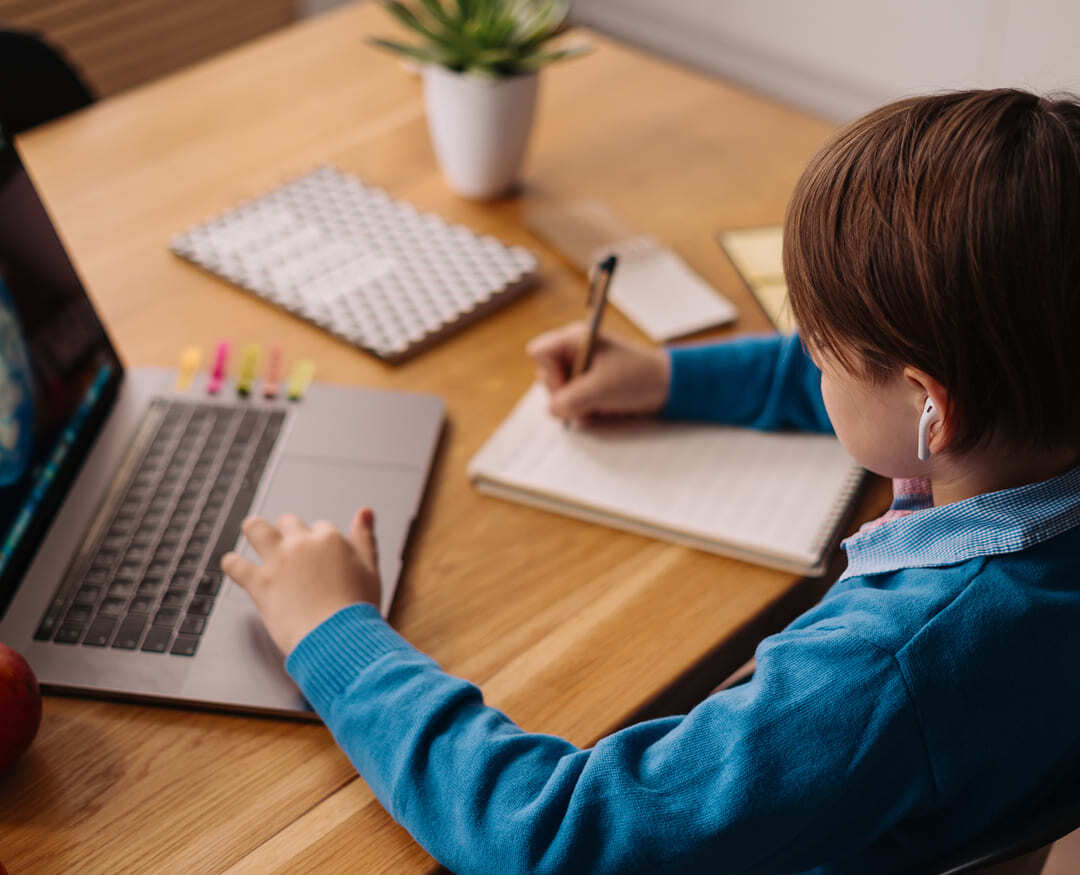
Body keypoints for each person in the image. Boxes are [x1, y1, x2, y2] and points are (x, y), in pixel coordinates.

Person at [221, 89, 1080, 873]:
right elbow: (898, 378)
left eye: (817, 346)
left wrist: (334, 633)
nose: (806, 357)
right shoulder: (1040, 401)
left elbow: (547, 835)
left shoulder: (888, 670)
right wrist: (672, 380)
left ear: (933, 408)